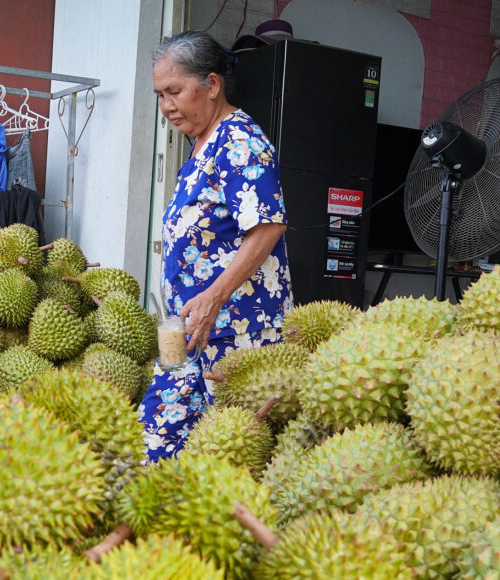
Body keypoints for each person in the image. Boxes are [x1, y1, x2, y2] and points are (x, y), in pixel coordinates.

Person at [139, 30, 292, 463]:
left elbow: (268, 224)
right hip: (191, 331)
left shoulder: (240, 142)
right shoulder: (201, 145)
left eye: (175, 91)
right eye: (159, 95)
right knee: (169, 446)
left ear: (211, 85)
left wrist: (213, 297)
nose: (167, 105)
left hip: (234, 331)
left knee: (189, 449)